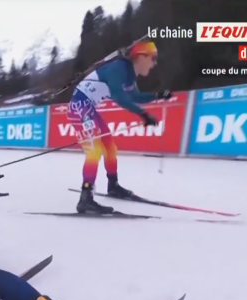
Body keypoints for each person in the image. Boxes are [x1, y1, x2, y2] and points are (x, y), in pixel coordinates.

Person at [69, 40, 172, 214]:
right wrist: (143, 114)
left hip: (89, 107)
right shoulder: (119, 68)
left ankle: (113, 186)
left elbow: (135, 96)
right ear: (140, 57)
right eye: (153, 58)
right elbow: (118, 96)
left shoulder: (129, 75)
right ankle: (85, 198)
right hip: (79, 106)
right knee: (94, 151)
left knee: (110, 147)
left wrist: (157, 95)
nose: (155, 63)